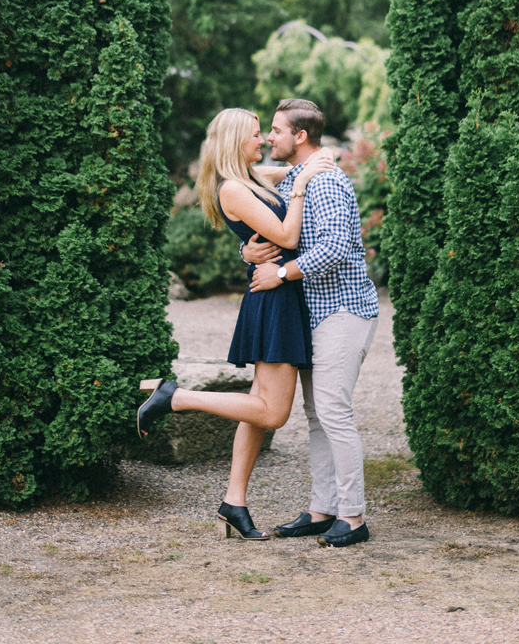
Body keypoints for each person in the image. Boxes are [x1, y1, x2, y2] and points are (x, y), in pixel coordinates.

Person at [136, 107, 333, 541]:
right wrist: (299, 185)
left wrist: (306, 168)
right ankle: (178, 398)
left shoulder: (251, 179)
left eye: (265, 134)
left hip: (275, 294)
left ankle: (233, 503)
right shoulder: (233, 190)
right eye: (256, 135)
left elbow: (285, 179)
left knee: (257, 408)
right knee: (274, 412)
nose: (262, 141)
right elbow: (287, 236)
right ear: (234, 141)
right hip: (276, 300)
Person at [247, 98, 379, 548]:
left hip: (343, 310)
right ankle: (323, 511)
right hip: (313, 314)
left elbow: (336, 247)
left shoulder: (325, 183)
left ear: (300, 137)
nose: (269, 137)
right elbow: (270, 221)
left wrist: (281, 273)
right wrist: (250, 253)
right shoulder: (301, 180)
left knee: (334, 413)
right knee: (317, 416)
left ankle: (354, 517)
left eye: (277, 131)